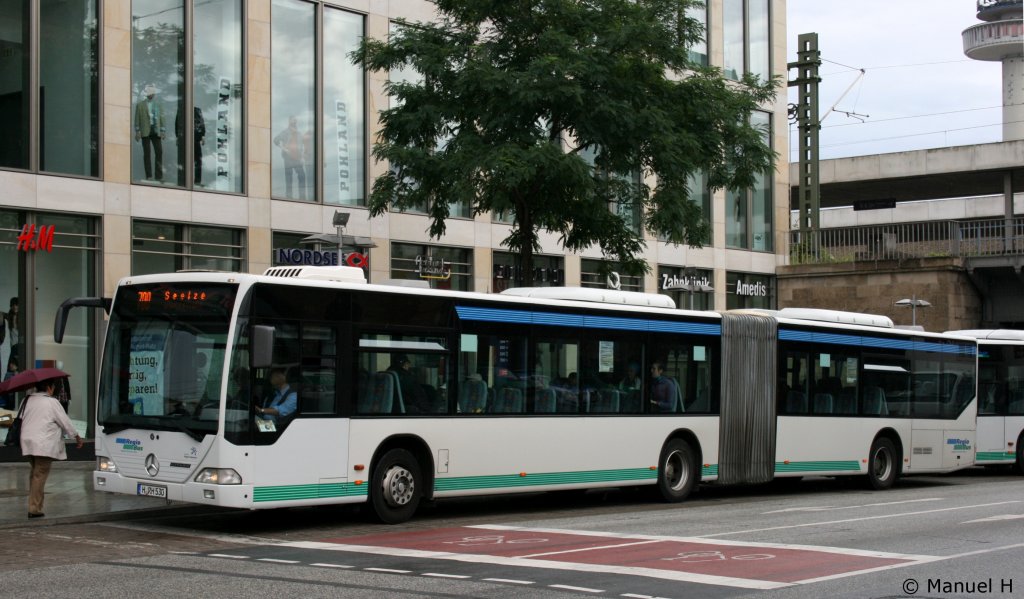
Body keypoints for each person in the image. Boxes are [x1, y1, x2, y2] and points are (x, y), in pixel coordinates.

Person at [20, 377, 83, 518]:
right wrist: (77, 436)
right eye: (53, 386)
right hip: (43, 444)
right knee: (39, 475)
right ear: (49, 387)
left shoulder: (27, 400)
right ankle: (34, 508)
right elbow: (65, 421)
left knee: (35, 474)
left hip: (28, 442)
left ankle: (36, 506)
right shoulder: (52, 402)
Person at [134, 84, 166, 181]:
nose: (151, 95)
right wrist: (137, 131)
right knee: (147, 153)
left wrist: (163, 131)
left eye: (152, 93)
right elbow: (137, 119)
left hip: (155, 131)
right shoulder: (140, 105)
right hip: (145, 131)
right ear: (147, 94)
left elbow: (162, 118)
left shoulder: (158, 105)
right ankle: (149, 175)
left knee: (159, 152)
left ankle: (159, 176)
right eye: (149, 92)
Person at [273, 116, 306, 199]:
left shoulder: (299, 134)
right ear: (289, 122)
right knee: (289, 177)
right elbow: (275, 140)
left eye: (295, 121)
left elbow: (301, 146)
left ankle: (302, 196)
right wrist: (283, 148)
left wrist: (302, 157)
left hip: (297, 158)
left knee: (302, 175)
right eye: (293, 120)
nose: (294, 122)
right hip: (288, 157)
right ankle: (289, 197)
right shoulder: (285, 132)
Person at [175, 106, 206, 185]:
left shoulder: (197, 110)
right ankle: (184, 180)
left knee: (198, 160)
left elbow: (202, 123)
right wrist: (178, 137)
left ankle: (197, 180)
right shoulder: (181, 110)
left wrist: (203, 135)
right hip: (185, 138)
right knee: (184, 159)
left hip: (195, 138)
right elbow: (177, 124)